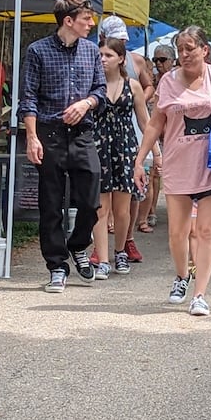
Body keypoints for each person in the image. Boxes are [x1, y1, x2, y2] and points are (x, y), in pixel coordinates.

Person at [134, 26, 211, 316]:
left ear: (204, 50)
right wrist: (140, 159)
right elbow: (155, 123)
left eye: (190, 49)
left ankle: (200, 294)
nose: (184, 55)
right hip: (178, 163)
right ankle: (182, 276)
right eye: (180, 49)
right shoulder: (168, 82)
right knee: (178, 232)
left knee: (207, 230)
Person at [19, 0, 107, 293]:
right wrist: (31, 137)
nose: (91, 24)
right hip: (49, 133)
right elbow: (28, 98)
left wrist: (86, 103)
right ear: (68, 21)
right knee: (51, 204)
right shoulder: (37, 51)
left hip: (82, 133)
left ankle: (79, 245)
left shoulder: (92, 51)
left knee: (91, 199)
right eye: (86, 19)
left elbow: (101, 90)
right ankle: (57, 266)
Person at [94, 37, 149, 279]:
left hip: (125, 147)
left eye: (108, 55)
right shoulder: (93, 84)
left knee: (123, 208)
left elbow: (145, 121)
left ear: (121, 59)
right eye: (101, 55)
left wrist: (154, 154)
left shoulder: (133, 86)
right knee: (100, 207)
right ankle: (103, 258)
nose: (103, 59)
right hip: (99, 147)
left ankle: (121, 251)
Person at [134, 43, 177, 235]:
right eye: (156, 60)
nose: (159, 63)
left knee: (157, 174)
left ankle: (151, 210)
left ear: (171, 61)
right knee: (150, 173)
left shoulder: (175, 79)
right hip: (151, 128)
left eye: (162, 60)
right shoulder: (152, 79)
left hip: (168, 132)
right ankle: (149, 211)